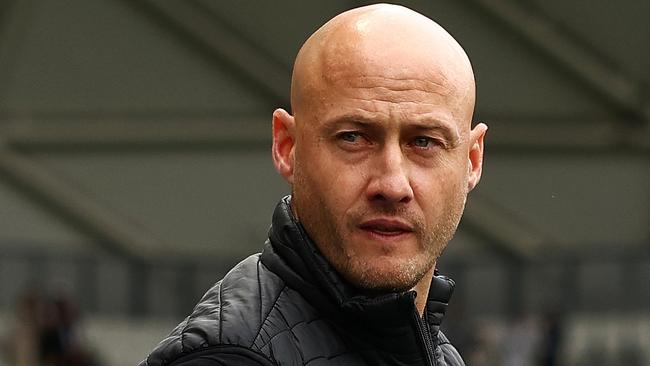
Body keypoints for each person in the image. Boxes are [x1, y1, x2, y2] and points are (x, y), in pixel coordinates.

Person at [140, 4, 487, 366]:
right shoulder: (228, 358)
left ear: (472, 161)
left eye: (424, 142)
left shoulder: (439, 354)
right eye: (353, 137)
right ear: (287, 147)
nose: (392, 184)